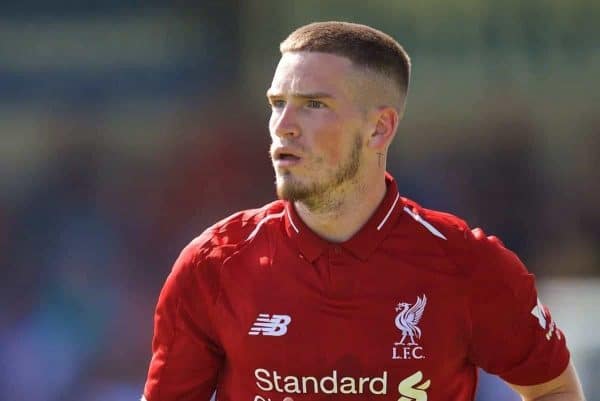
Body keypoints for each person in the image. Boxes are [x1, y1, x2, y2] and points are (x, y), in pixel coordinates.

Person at [142, 21, 585, 401]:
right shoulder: (213, 265)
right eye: (277, 104)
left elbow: (553, 389)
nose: (283, 126)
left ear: (379, 128)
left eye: (314, 104)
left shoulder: (468, 266)